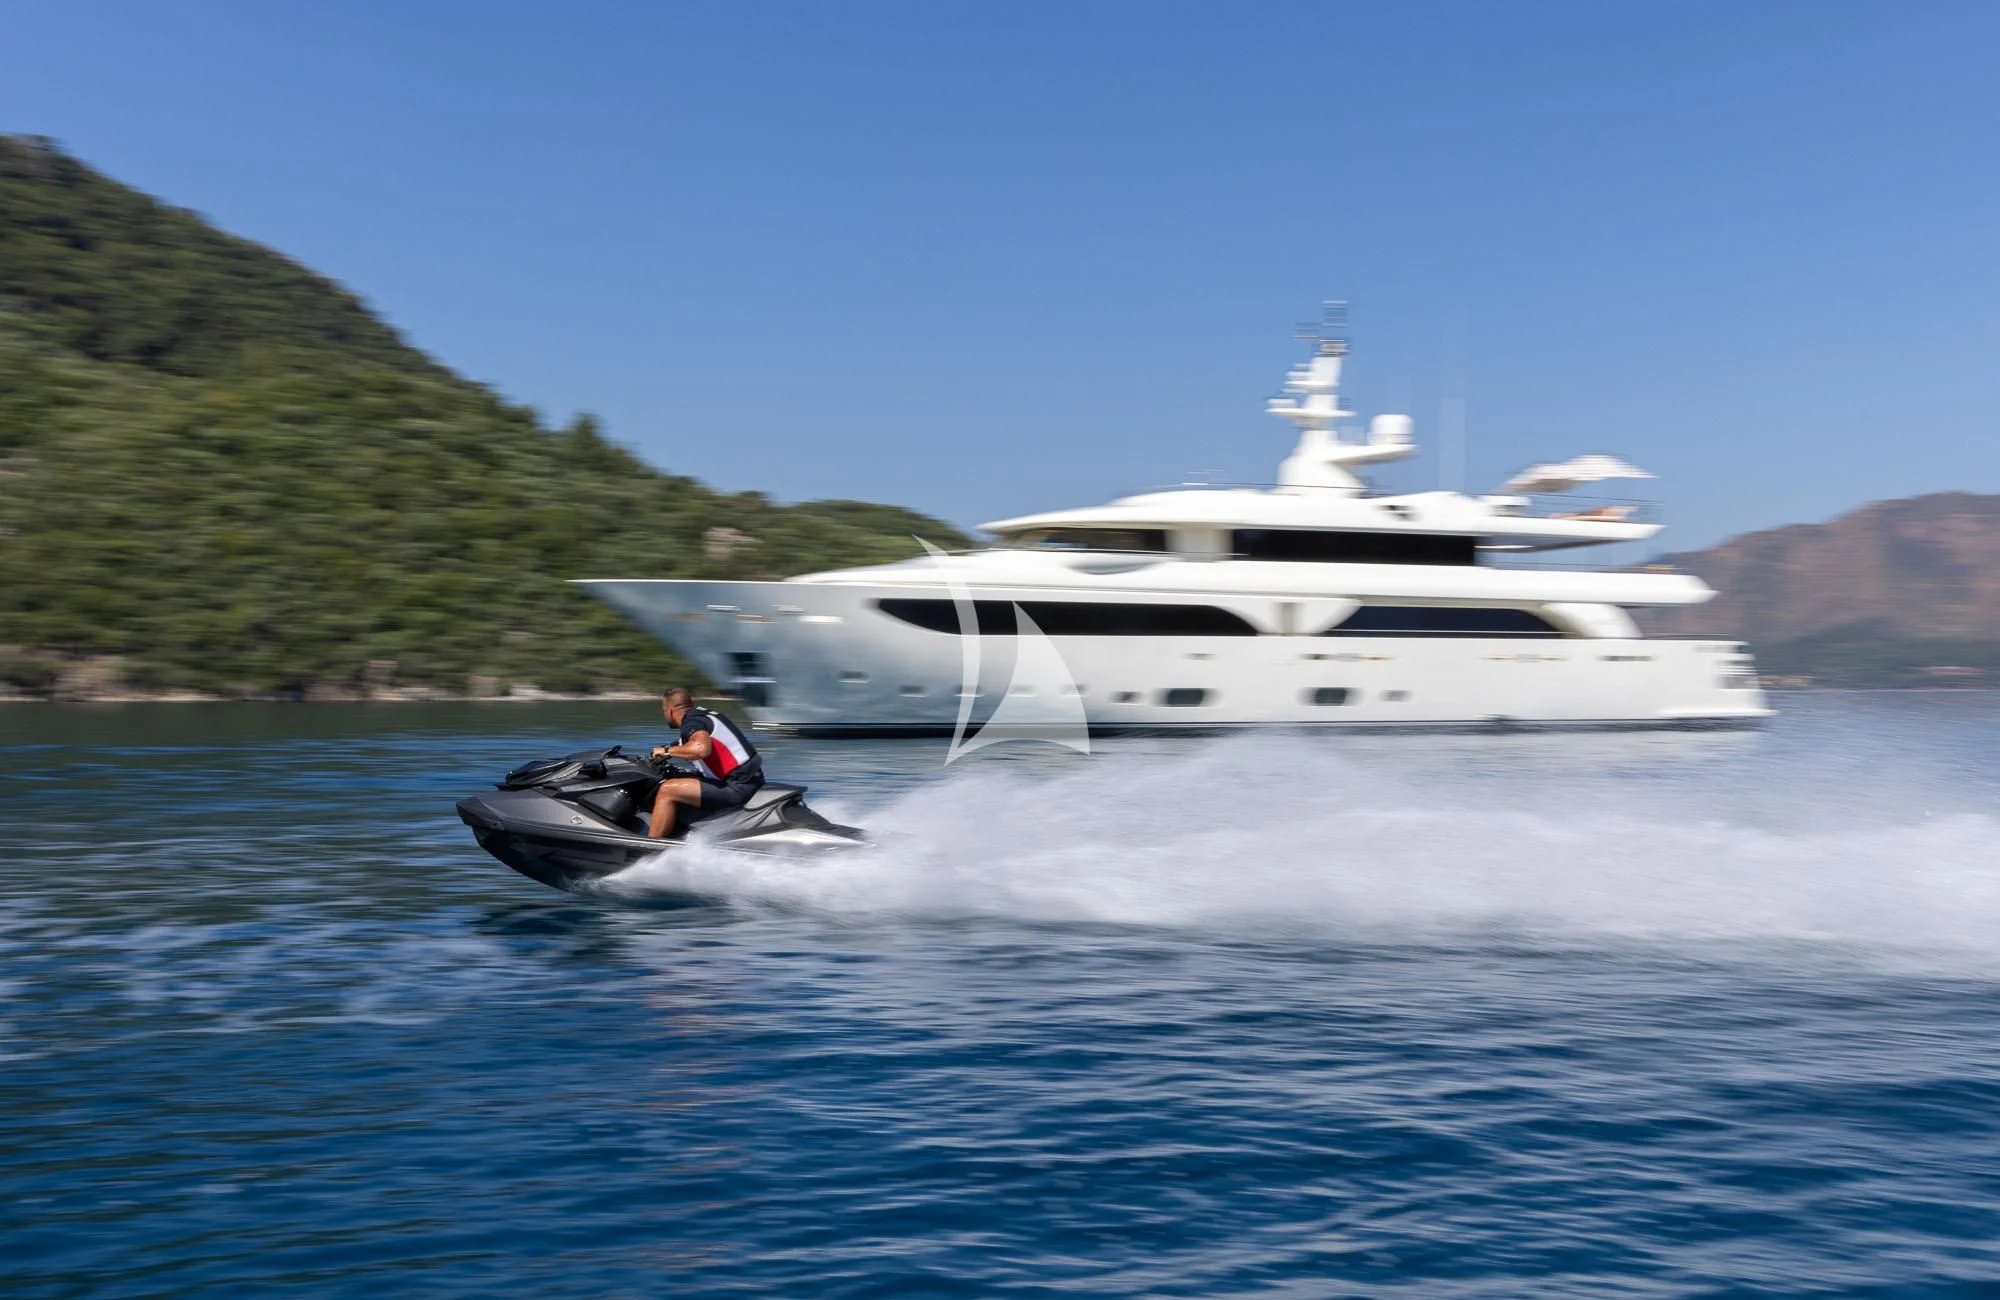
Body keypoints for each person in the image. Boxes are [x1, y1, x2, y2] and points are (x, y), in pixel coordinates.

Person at [646, 688, 766, 839]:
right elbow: (691, 743)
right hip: (748, 780)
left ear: (669, 710)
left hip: (737, 787)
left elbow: (700, 749)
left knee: (667, 790)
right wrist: (665, 750)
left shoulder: (691, 722)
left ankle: (649, 847)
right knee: (684, 779)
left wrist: (667, 752)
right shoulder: (705, 716)